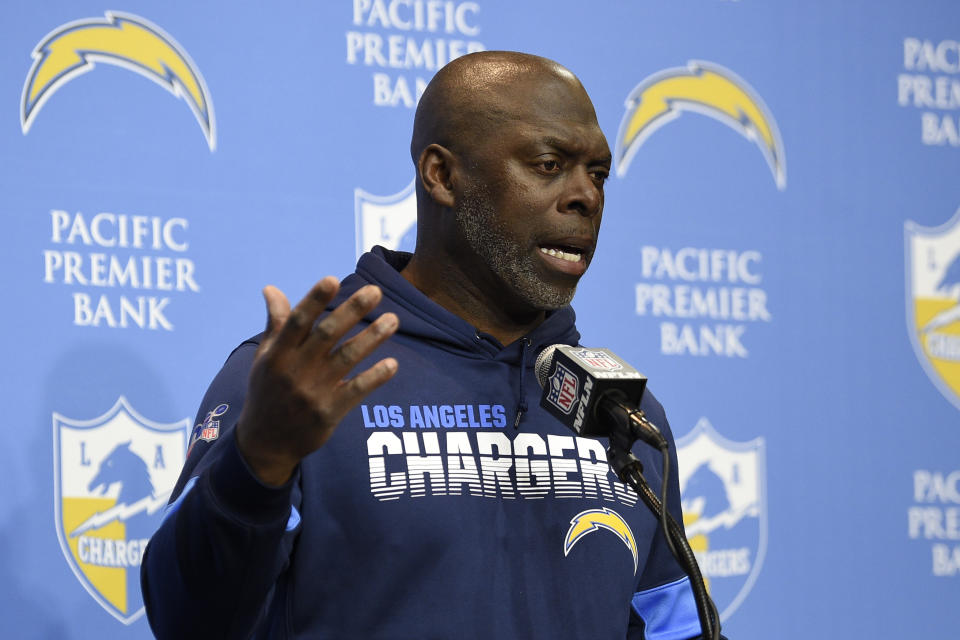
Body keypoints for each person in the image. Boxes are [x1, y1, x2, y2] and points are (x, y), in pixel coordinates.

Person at [142, 51, 706, 639]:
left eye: (598, 173)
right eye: (548, 164)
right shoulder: (306, 379)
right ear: (441, 174)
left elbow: (675, 628)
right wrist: (258, 461)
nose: (586, 196)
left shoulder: (622, 417)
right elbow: (187, 620)